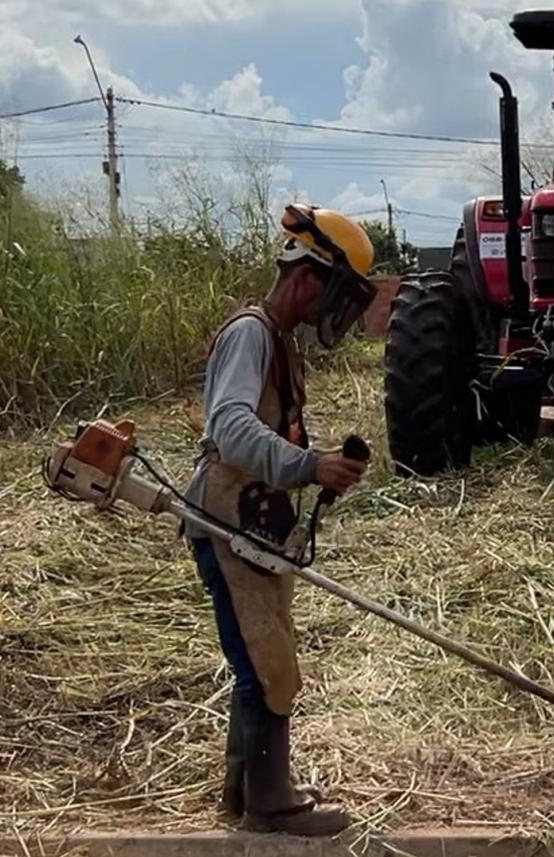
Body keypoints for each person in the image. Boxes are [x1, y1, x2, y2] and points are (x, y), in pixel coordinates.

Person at [184, 203, 375, 837]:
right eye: (337, 296)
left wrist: (317, 469)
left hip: (254, 519)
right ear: (311, 277)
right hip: (229, 516)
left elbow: (272, 431)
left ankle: (248, 792)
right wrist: (305, 466)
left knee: (265, 655)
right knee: (265, 663)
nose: (332, 313)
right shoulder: (252, 333)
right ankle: (269, 806)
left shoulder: (278, 341)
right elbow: (231, 428)